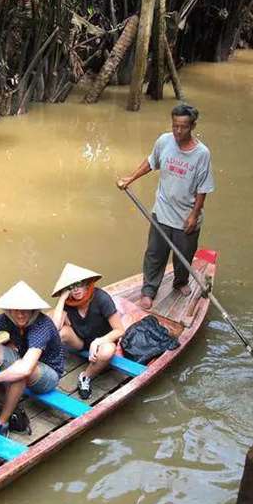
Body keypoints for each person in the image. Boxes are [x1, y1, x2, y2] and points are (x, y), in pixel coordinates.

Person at [116, 102, 215, 310]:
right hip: (162, 212)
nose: (178, 131)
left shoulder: (202, 154)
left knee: (184, 256)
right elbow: (151, 162)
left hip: (186, 215)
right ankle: (149, 290)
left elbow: (203, 188)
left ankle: (180, 282)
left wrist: (193, 215)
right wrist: (130, 178)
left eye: (184, 127)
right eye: (175, 126)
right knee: (154, 253)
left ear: (193, 126)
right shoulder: (164, 141)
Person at [0, 281, 65, 437]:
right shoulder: (6, 318)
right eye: (16, 310)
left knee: (20, 373)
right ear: (9, 310)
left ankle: (2, 422)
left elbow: (26, 368)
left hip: (48, 374)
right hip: (22, 360)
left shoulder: (42, 325)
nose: (20, 315)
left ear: (33, 311)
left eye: (25, 311)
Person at [50, 263, 124, 400]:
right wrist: (61, 299)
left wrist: (98, 342)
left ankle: (85, 377)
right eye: (71, 287)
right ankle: (51, 365)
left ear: (87, 283)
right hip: (81, 340)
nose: (76, 289)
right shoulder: (68, 302)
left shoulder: (101, 298)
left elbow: (120, 330)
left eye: (79, 284)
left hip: (103, 341)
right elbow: (55, 328)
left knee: (107, 352)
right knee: (61, 333)